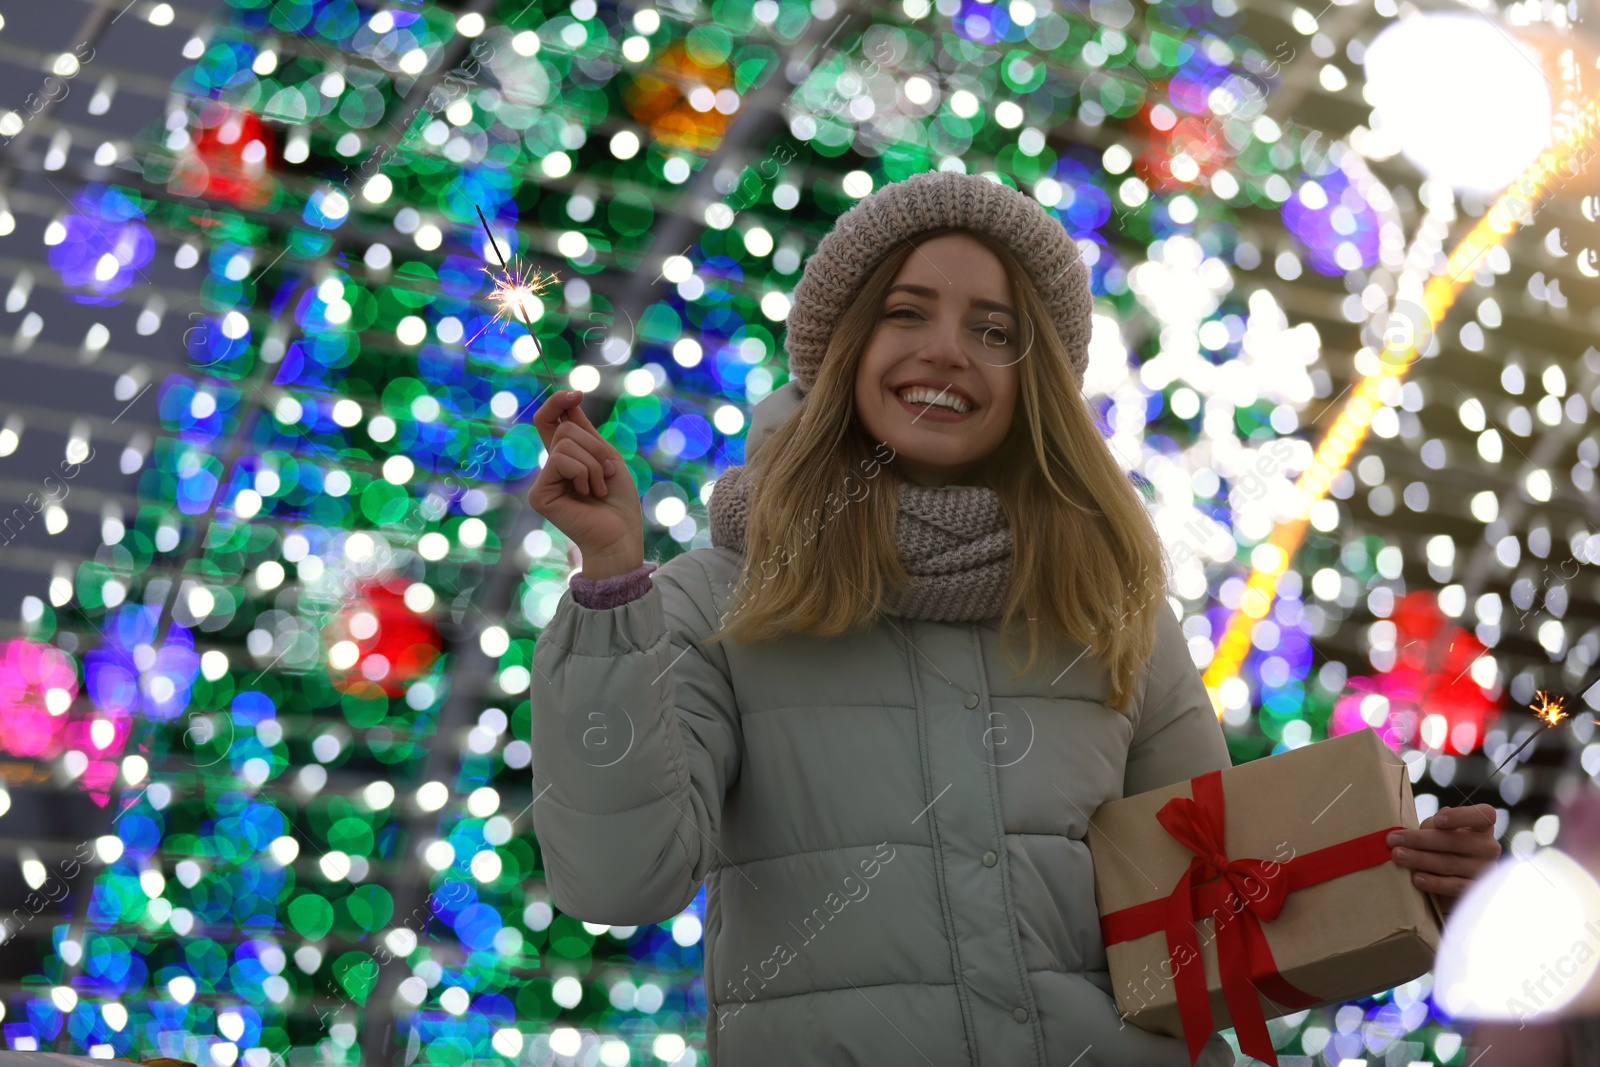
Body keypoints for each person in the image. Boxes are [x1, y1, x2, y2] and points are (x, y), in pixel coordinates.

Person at [525, 170, 1500, 1066]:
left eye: (994, 330)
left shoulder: (1107, 605)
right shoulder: (721, 600)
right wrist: (612, 580)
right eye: (905, 312)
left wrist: (1404, 883)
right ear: (840, 349)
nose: (947, 349)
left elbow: (1209, 929)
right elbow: (619, 882)